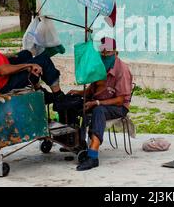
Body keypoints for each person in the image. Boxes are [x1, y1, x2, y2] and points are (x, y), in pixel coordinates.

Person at [56, 37, 133, 171]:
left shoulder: (122, 70)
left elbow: (120, 100)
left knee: (98, 111)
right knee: (70, 103)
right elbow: (93, 89)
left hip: (118, 107)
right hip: (98, 101)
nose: (104, 55)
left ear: (116, 53)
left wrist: (97, 102)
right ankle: (75, 142)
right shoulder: (99, 66)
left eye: (108, 52)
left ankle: (93, 156)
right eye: (102, 52)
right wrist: (79, 93)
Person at [0, 3, 64, 100]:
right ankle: (59, 98)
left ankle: (39, 89)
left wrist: (4, 57)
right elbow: (3, 70)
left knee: (26, 54)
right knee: (43, 60)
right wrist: (28, 66)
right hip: (0, 85)